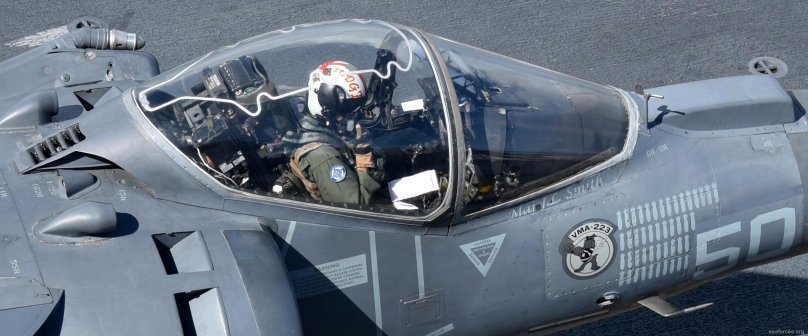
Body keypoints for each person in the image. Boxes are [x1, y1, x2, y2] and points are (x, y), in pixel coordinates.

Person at [273, 61, 382, 204]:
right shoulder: (324, 158)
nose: (351, 116)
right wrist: (363, 155)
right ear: (325, 101)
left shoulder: (300, 110)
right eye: (346, 107)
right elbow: (356, 207)